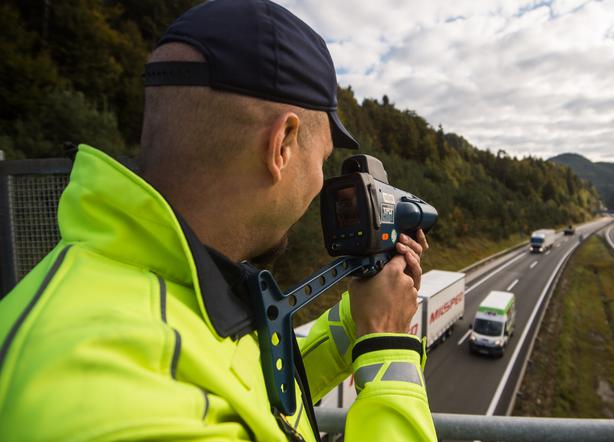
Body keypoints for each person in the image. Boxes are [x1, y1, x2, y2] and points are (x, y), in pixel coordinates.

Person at [0, 1, 437, 440]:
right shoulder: (128, 404)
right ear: (282, 145)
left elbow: (250, 392)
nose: (321, 181)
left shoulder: (160, 289)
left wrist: (355, 319)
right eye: (322, 159)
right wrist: (386, 345)